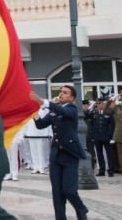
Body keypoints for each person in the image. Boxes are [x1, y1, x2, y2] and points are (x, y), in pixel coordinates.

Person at [30, 86, 88, 220]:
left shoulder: (72, 109)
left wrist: (42, 101)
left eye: (65, 92)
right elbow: (41, 125)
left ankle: (81, 208)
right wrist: (34, 112)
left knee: (68, 189)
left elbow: (63, 111)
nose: (61, 94)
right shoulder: (54, 110)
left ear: (72, 98)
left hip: (70, 154)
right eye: (60, 92)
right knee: (56, 192)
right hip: (56, 155)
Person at [85, 98, 115, 177]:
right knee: (99, 154)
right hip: (97, 136)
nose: (98, 105)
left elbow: (112, 126)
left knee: (109, 154)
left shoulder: (108, 113)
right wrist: (91, 106)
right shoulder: (94, 113)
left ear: (103, 104)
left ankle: (111, 171)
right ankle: (101, 170)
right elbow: (86, 115)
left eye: (99, 103)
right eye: (97, 104)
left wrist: (112, 137)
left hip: (106, 136)